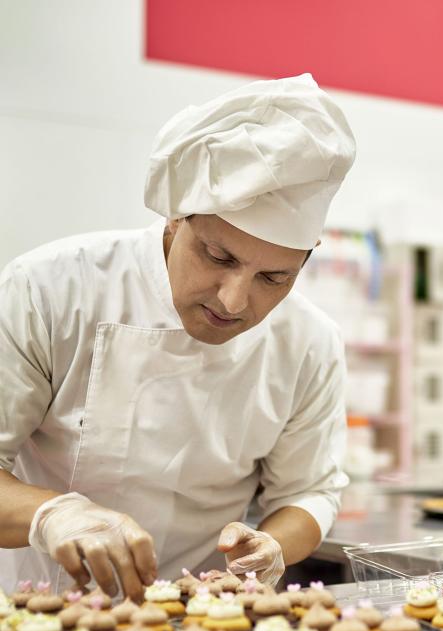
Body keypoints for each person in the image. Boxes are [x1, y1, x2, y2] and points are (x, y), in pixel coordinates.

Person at [0, 74, 356, 600]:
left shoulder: (309, 343)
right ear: (175, 220)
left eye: (273, 278)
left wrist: (272, 543)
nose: (234, 300)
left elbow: (310, 491)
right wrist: (53, 515)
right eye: (218, 257)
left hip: (203, 623)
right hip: (40, 613)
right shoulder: (52, 289)